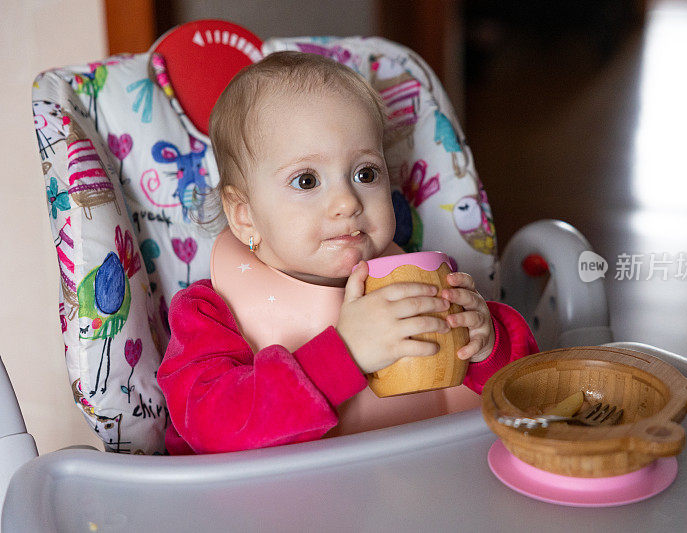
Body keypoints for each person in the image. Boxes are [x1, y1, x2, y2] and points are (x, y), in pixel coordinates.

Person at [157, 51, 538, 455]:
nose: (347, 201)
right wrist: (344, 357)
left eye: (365, 173)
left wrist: (486, 344)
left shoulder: (419, 283)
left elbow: (531, 389)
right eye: (306, 180)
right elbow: (211, 428)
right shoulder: (210, 313)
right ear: (245, 215)